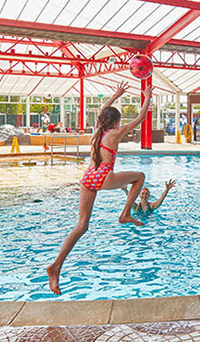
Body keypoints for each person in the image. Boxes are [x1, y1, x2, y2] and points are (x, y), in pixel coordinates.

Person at [47, 81, 152, 295]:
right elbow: (140, 118)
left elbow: (101, 112)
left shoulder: (97, 132)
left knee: (82, 226)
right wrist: (147, 96)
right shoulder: (114, 134)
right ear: (115, 122)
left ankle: (56, 266)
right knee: (140, 177)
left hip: (88, 179)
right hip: (105, 176)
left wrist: (115, 95)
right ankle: (124, 214)